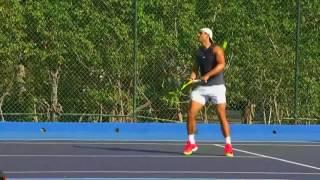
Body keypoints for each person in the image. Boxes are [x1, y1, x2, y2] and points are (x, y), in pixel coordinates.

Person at [183, 27, 233, 157]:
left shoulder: (217, 49)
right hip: (202, 88)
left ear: (207, 35)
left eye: (200, 33)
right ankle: (191, 142)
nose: (198, 34)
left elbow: (222, 65)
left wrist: (208, 75)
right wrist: (193, 75)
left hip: (217, 86)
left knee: (221, 116)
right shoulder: (198, 51)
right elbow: (195, 67)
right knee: (190, 113)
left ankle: (228, 145)